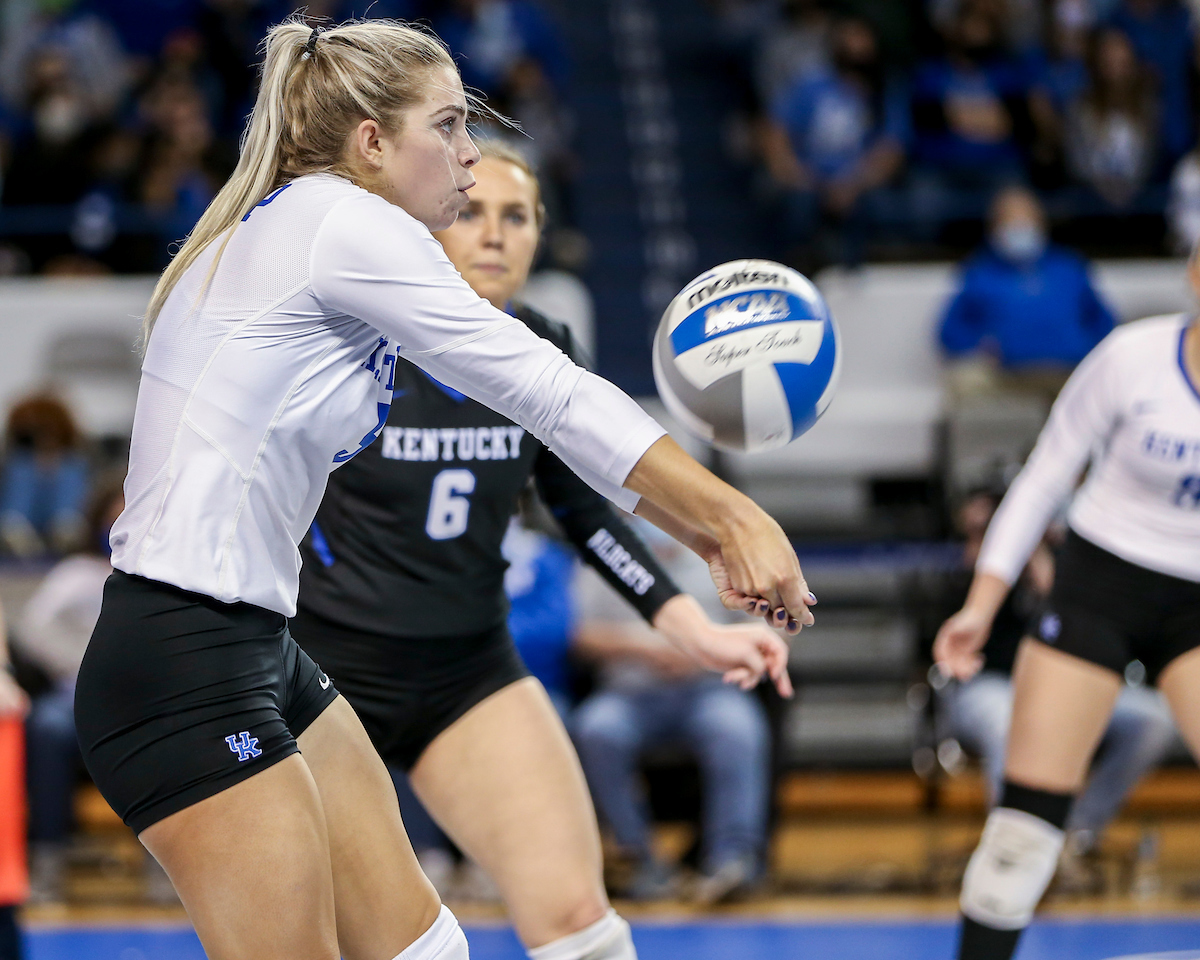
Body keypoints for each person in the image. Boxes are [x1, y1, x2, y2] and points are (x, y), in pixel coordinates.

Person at [72, 19, 812, 960]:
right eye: (452, 126)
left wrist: (694, 559)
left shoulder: (317, 238)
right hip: (183, 662)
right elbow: (545, 388)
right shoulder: (340, 224)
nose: (472, 156)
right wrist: (728, 516)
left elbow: (555, 431)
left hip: (269, 650)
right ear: (371, 142)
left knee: (430, 950)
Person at [289, 139, 790, 959]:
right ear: (426, 224)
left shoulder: (546, 343)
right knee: (370, 941)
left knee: (580, 927)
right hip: (329, 680)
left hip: (468, 671)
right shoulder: (348, 339)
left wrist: (689, 625)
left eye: (516, 217)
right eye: (472, 211)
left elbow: (584, 512)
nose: (494, 234)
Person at [934, 251, 1200, 959]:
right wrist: (981, 606)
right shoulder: (1131, 358)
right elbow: (1041, 480)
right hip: (1100, 586)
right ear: (1196, 277)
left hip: (1197, 605)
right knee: (1023, 832)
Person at [936, 488, 1176, 886]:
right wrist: (991, 551)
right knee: (1008, 720)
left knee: (1154, 719)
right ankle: (1016, 849)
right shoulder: (967, 562)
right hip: (989, 682)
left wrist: (1034, 554)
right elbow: (948, 626)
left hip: (1065, 679)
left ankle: (1074, 834)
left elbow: (1075, 611)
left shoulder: (1066, 561)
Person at [573, 519, 772, 905]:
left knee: (738, 729)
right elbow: (578, 633)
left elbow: (763, 631)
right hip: (630, 693)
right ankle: (640, 860)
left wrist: (706, 651)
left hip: (707, 689)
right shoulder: (605, 552)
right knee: (596, 729)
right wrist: (639, 648)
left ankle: (733, 861)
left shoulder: (722, 559)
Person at [938, 185, 1115, 404]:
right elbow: (949, 332)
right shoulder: (979, 272)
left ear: (1041, 224)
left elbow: (1104, 322)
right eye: (1010, 221)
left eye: (1028, 219)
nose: (1020, 227)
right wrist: (981, 346)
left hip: (1070, 372)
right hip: (1007, 375)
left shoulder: (1069, 267)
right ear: (994, 228)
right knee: (965, 379)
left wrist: (1083, 347)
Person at [761, 15, 908, 266]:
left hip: (860, 184)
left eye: (862, 37)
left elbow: (891, 150)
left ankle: (858, 277)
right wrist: (802, 177)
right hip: (808, 179)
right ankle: (798, 271)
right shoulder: (810, 84)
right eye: (848, 36)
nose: (855, 46)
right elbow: (776, 134)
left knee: (881, 206)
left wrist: (852, 185)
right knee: (797, 204)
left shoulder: (884, 91)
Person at [0, 393, 89, 557]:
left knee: (70, 470)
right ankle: (15, 527)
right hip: (23, 517)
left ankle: (66, 526)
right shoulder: (18, 464)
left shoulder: (73, 464)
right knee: (21, 471)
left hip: (61, 517)